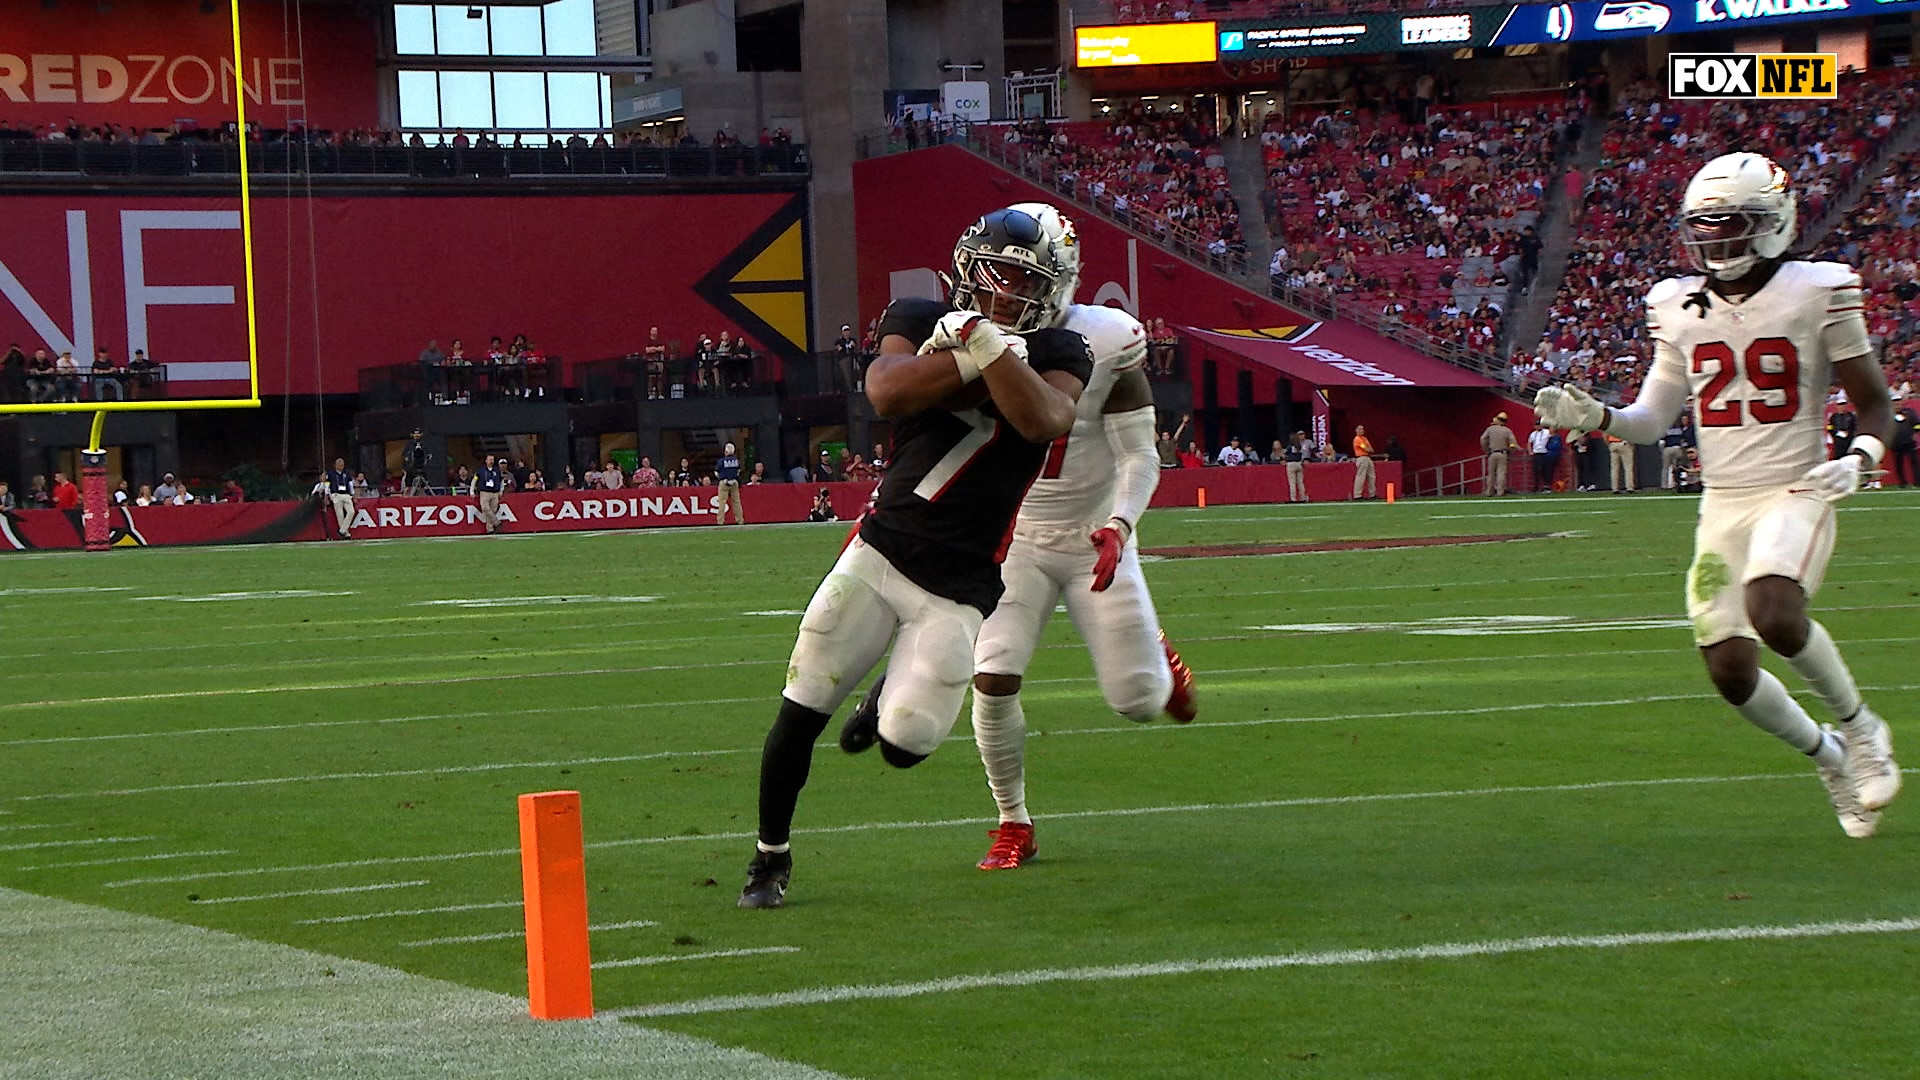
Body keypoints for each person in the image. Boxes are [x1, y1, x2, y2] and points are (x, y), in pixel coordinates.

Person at [1534, 151, 1900, 838]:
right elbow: (1651, 419)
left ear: (1772, 221)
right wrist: (1598, 415)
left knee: (1775, 610)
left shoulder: (1818, 290)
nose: (1715, 239)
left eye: (1730, 223)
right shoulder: (1676, 304)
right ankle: (1828, 757)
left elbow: (1877, 405)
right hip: (1723, 502)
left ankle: (1861, 728)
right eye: (1704, 226)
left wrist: (1860, 458)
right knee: (1730, 670)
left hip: (1796, 485)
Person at [740, 206, 1092, 909]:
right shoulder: (921, 314)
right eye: (999, 275)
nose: (1009, 292)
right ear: (970, 269)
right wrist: (976, 352)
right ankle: (769, 858)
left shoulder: (1061, 350)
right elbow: (887, 391)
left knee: (905, 744)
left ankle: (883, 695)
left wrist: (982, 346)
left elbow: (1044, 420)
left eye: (1026, 281)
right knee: (802, 708)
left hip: (960, 585)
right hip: (881, 550)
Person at [1480, 411, 1517, 495]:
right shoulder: (1507, 431)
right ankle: (1500, 491)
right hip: (1502, 453)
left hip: (1492, 453)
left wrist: (1486, 450)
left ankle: (1489, 491)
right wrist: (1510, 451)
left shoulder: (1489, 429)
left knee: (1491, 473)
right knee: (1501, 473)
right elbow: (1513, 443)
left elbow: (1482, 439)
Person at [1661, 413, 1696, 490]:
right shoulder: (1680, 428)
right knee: (1673, 467)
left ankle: (1670, 485)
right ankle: (1672, 484)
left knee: (1672, 467)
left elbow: (1662, 440)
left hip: (1672, 448)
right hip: (1675, 448)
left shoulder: (1667, 428)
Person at [714, 441, 745, 525]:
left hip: (724, 482)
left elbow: (716, 472)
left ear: (726, 451)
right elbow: (738, 471)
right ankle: (740, 520)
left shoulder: (721, 461)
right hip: (734, 482)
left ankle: (720, 521)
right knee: (736, 502)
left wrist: (721, 478)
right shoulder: (736, 461)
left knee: (722, 502)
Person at [473, 454, 505, 534]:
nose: (491, 461)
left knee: (493, 510)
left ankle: (490, 529)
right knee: (485, 508)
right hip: (484, 492)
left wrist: (501, 490)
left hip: (495, 492)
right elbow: (474, 480)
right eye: (490, 460)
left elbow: (501, 480)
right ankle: (496, 521)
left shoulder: (497, 470)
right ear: (486, 461)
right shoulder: (481, 470)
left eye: (492, 460)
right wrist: (472, 491)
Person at [324, 457, 354, 539]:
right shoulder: (331, 473)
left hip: (346, 494)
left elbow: (350, 484)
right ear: (336, 465)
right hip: (336, 494)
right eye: (340, 465)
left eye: (342, 465)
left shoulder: (346, 473)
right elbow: (327, 485)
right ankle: (346, 534)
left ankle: (341, 531)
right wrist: (326, 496)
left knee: (351, 512)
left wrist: (353, 494)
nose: (341, 467)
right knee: (340, 515)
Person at [1351, 424, 1377, 499]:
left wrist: (1368, 449)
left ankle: (1372, 494)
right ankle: (1357, 495)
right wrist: (1368, 449)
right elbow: (1365, 448)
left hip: (1368, 458)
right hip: (1361, 458)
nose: (1362, 430)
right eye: (1360, 429)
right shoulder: (1357, 439)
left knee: (1372, 476)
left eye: (1363, 429)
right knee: (1361, 476)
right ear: (1356, 430)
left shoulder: (1364, 438)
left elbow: (1371, 449)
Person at [1284, 431, 1311, 502]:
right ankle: (1303, 497)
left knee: (1292, 483)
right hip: (1299, 463)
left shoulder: (1290, 446)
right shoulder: (1299, 446)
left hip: (1291, 464)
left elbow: (1286, 454)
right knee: (1300, 482)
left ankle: (1293, 498)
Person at [1528, 421, 1555, 492]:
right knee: (1536, 470)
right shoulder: (1533, 434)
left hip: (1544, 453)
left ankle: (1546, 486)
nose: (1538, 426)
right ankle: (1536, 486)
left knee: (1545, 470)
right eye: (1537, 425)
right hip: (1536, 453)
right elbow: (1529, 442)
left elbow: (1552, 433)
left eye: (1539, 425)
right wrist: (1530, 451)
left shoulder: (1546, 432)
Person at [403, 429, 431, 495]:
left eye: (418, 434)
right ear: (412, 435)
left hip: (422, 467)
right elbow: (405, 456)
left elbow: (428, 455)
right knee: (408, 486)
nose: (417, 435)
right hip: (411, 468)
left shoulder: (424, 445)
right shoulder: (409, 445)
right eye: (415, 434)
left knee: (422, 488)